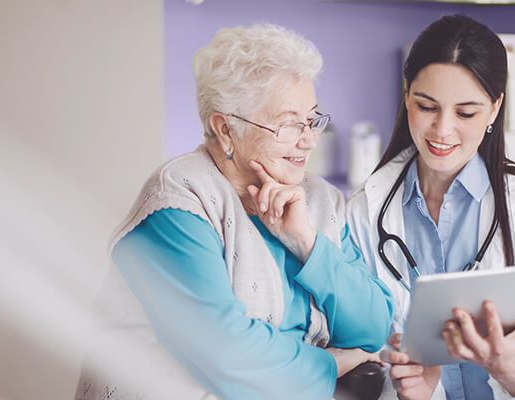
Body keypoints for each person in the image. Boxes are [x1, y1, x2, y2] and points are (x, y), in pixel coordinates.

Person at [75, 24, 394, 400]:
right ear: (225, 129)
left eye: (311, 119)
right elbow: (228, 357)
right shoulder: (177, 204)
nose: (309, 139)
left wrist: (307, 242)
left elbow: (374, 327)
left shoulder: (320, 200)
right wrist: (334, 364)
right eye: (289, 124)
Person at [346, 15, 515, 400]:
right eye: (427, 106)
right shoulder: (364, 211)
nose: (442, 130)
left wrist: (512, 371)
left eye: (466, 112)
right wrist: (415, 392)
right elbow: (370, 356)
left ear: (494, 109)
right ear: (407, 96)